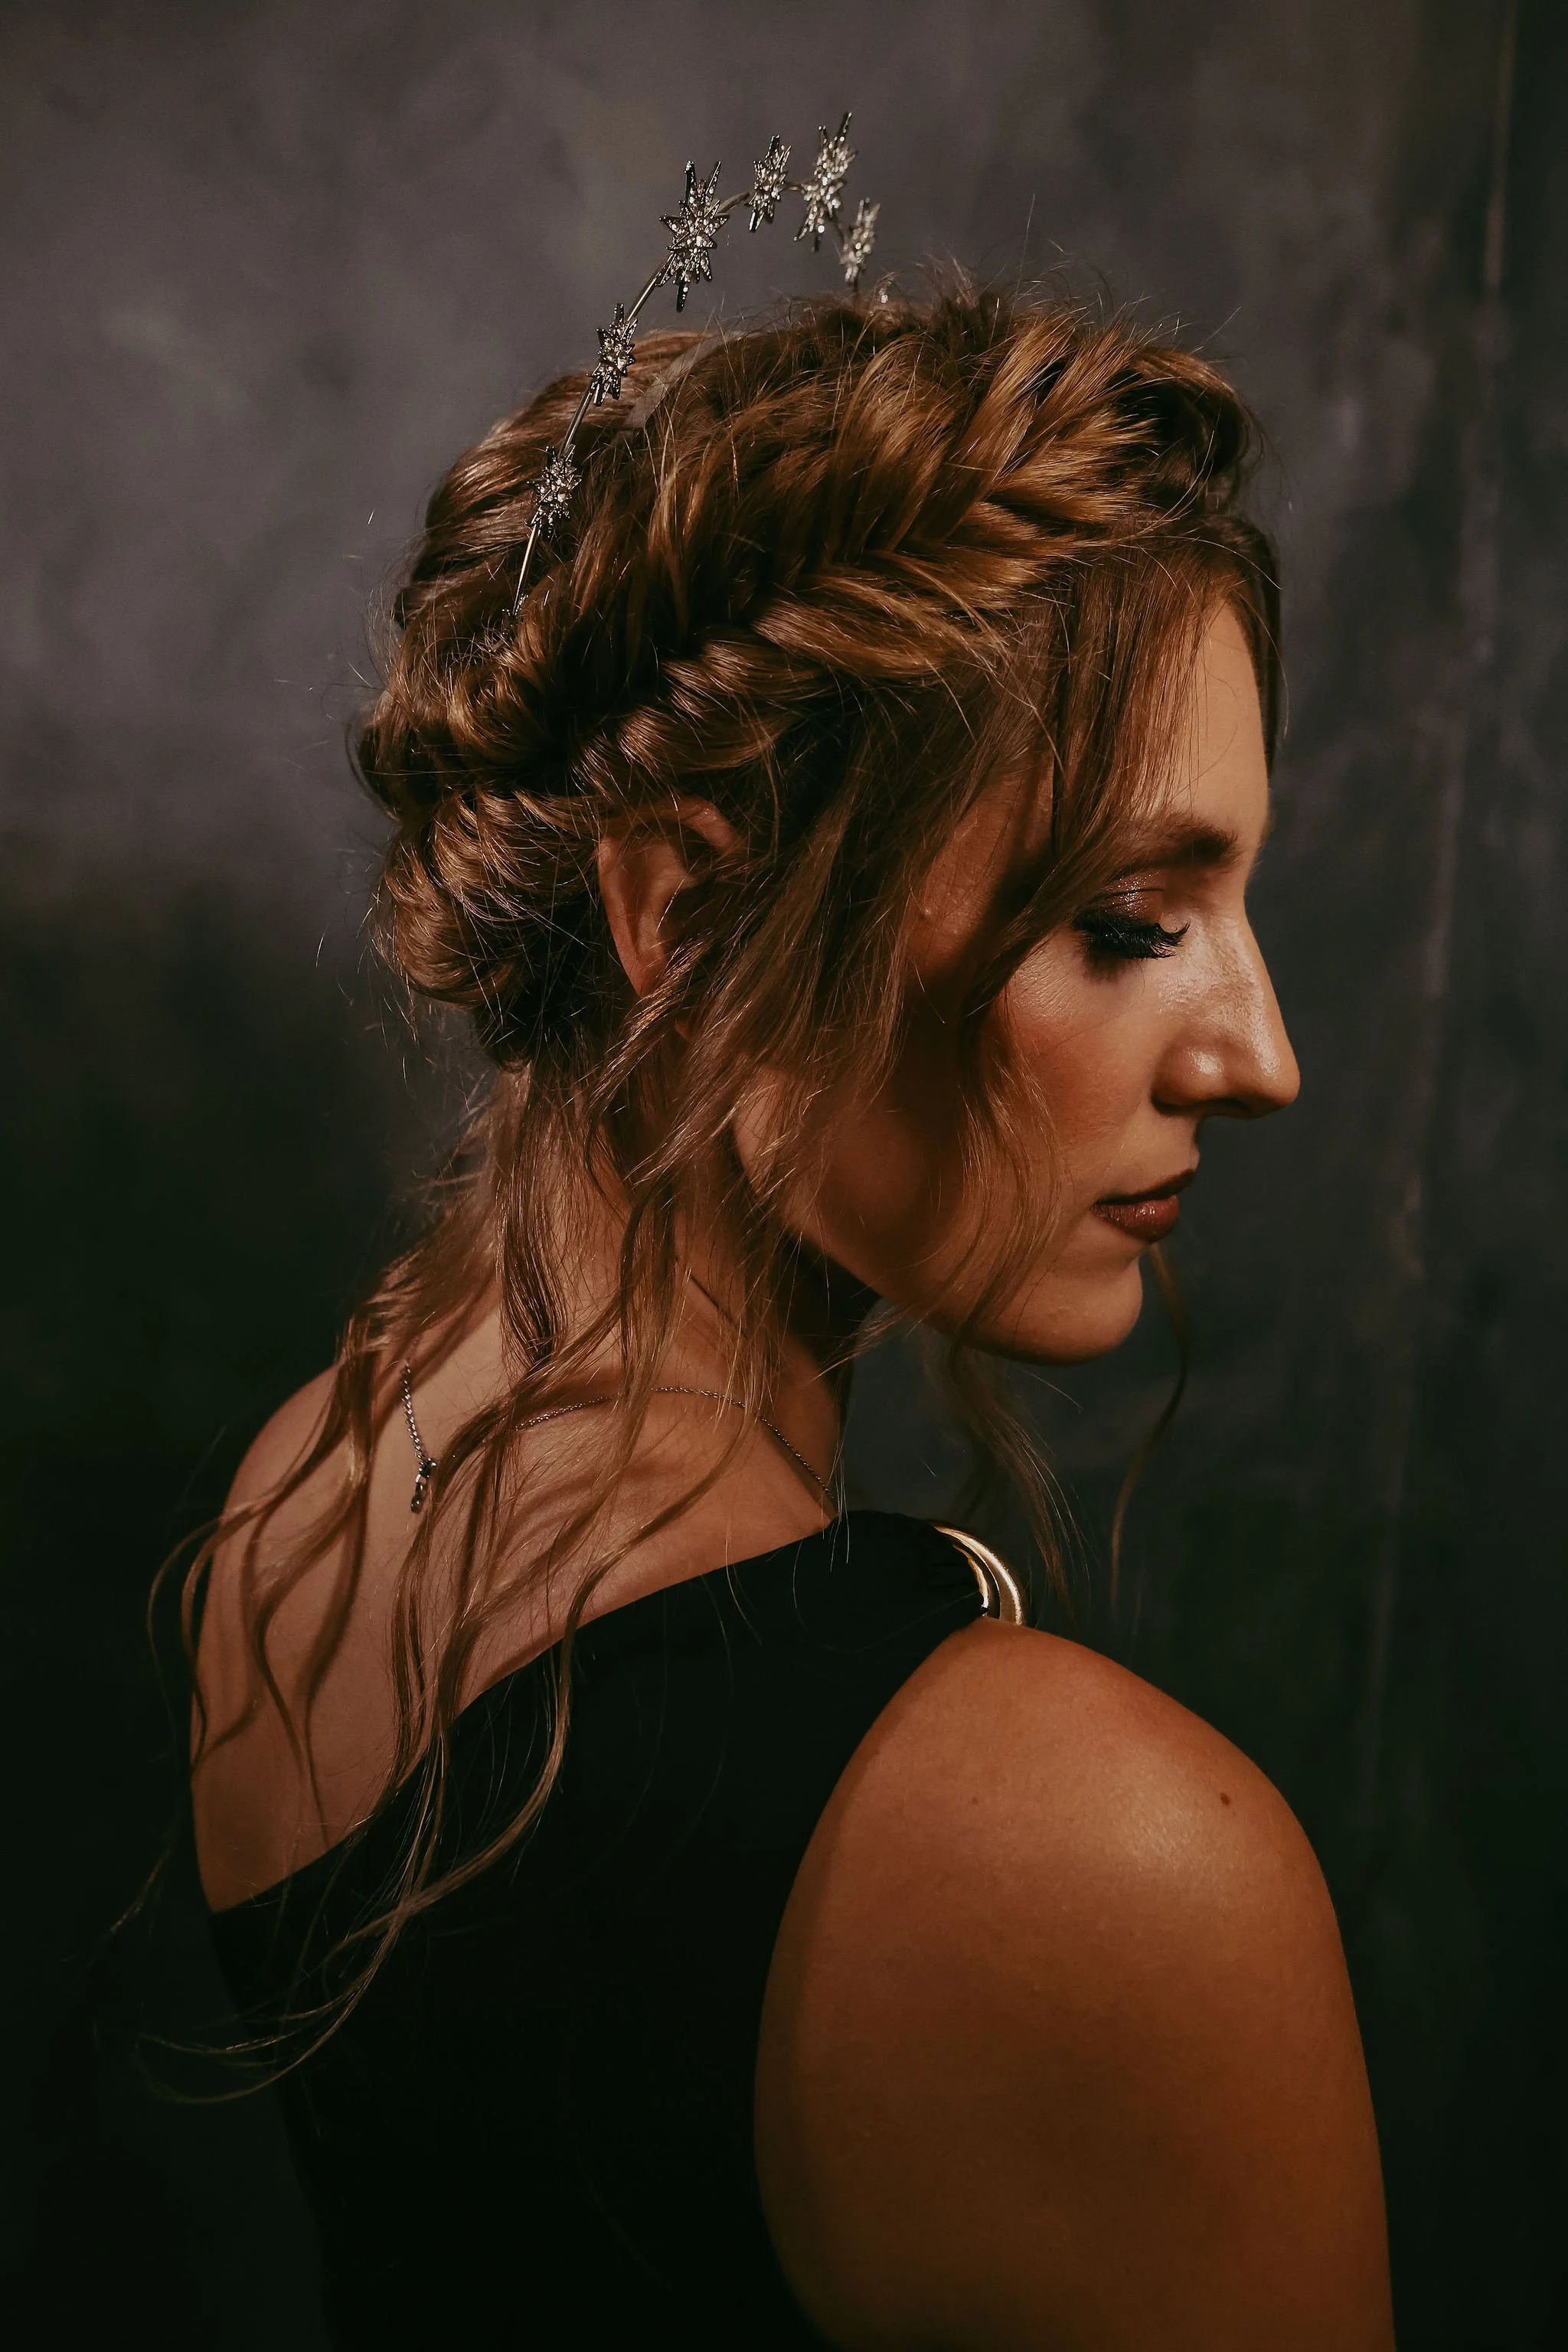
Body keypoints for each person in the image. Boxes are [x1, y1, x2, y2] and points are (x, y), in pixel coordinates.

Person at [189, 283, 1395, 2348]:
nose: (1257, 1054)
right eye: (1128, 922)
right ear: (688, 911)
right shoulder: (1100, 1866)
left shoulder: (302, 1501)